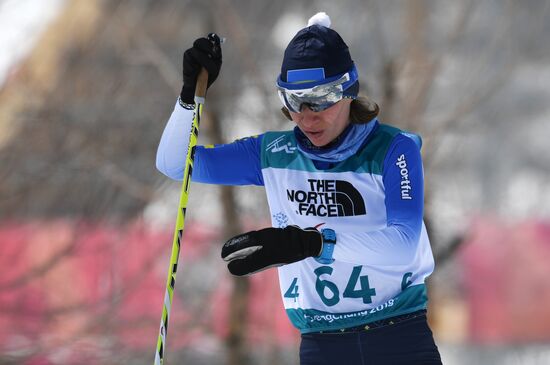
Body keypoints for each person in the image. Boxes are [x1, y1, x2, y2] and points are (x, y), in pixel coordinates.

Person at [156, 12, 442, 365]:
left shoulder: (393, 149)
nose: (307, 116)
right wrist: (188, 98)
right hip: (322, 344)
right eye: (293, 100)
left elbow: (402, 247)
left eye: (321, 98)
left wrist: (311, 243)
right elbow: (174, 165)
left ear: (349, 91)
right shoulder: (274, 155)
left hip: (397, 336)